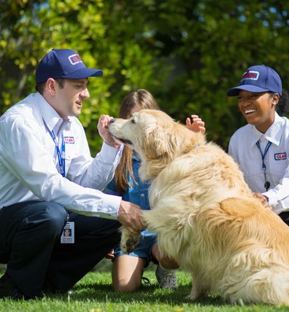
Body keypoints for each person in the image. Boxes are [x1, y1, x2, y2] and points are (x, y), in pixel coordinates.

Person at [0, 49, 145, 300]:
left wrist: (110, 148)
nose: (86, 94)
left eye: (86, 86)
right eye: (79, 86)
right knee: (51, 213)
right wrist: (117, 205)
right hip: (9, 223)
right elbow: (50, 187)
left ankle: (48, 282)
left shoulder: (71, 123)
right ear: (52, 86)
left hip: (46, 221)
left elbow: (84, 183)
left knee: (109, 220)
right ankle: (15, 287)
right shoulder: (19, 122)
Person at [105, 89, 206, 292]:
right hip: (132, 234)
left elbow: (195, 176)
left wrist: (191, 138)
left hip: (162, 235)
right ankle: (135, 266)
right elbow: (107, 198)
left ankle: (164, 269)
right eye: (133, 120)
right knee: (124, 287)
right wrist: (104, 239)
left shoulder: (170, 156)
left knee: (170, 257)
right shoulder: (115, 157)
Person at [227, 64, 289, 247]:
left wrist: (267, 199)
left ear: (274, 99)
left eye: (254, 96)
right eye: (241, 97)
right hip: (257, 223)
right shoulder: (238, 139)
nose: (245, 103)